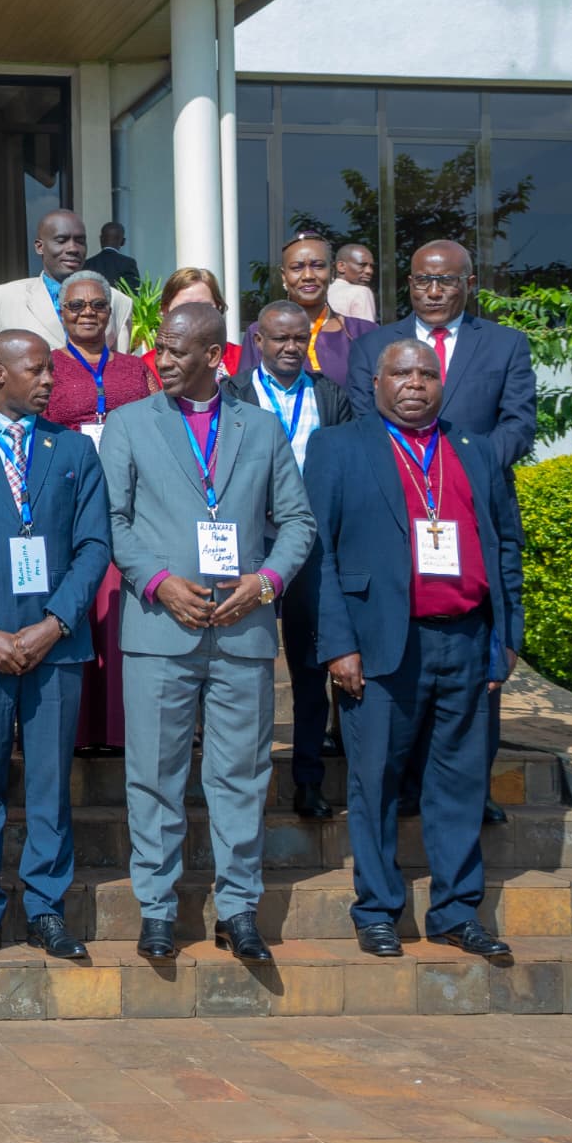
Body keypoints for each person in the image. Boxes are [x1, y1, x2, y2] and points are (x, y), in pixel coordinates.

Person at [101, 302, 314, 963]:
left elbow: (299, 522)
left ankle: (239, 907)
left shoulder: (262, 428)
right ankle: (158, 908)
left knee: (241, 773)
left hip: (243, 629)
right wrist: (158, 580)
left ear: (215, 357)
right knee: (155, 773)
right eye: (158, 348)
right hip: (161, 626)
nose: (159, 359)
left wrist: (267, 582)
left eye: (172, 350)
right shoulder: (128, 424)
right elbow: (112, 519)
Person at [311, 338, 523, 959]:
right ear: (375, 383)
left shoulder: (474, 450)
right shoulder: (338, 447)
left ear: (442, 383)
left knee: (458, 784)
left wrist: (508, 636)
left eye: (426, 373)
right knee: (374, 782)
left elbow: (506, 544)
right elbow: (318, 552)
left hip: (466, 637)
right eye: (400, 373)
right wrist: (337, 645)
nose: (414, 383)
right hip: (379, 646)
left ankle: (458, 911)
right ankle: (377, 909)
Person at [0, 330, 110, 962]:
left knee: (49, 784)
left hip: (55, 645)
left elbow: (95, 546)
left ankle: (45, 908)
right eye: (36, 371)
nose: (49, 382)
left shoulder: (74, 450)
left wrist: (55, 623)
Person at [346, 238, 535, 824]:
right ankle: (401, 786)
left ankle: (469, 791)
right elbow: (362, 424)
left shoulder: (504, 344)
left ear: (468, 284)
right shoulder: (374, 345)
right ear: (408, 284)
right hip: (396, 517)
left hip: (470, 511)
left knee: (469, 669)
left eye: (446, 281)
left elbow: (518, 425)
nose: (433, 290)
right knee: (400, 663)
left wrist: (464, 463)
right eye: (422, 280)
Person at [226, 300, 353, 818]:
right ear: (258, 341)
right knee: (240, 666)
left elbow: (346, 469)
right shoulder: (233, 395)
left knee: (306, 668)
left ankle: (307, 779)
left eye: (299, 339)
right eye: (279, 338)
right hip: (250, 545)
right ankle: (238, 785)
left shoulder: (329, 395)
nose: (290, 348)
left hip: (309, 546)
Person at [43, 270, 156, 755]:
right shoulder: (44, 364)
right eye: (76, 306)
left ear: (111, 313)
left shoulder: (135, 369)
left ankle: (118, 729)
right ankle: (78, 729)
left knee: (118, 613)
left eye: (98, 306)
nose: (88, 313)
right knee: (77, 607)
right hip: (66, 504)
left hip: (129, 503)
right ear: (61, 313)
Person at [0, 210, 131, 352]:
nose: (73, 249)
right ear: (39, 247)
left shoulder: (116, 301)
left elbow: (122, 369)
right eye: (61, 241)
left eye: (80, 241)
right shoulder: (4, 298)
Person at [241, 235, 371, 386]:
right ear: (284, 276)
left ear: (332, 272)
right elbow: (245, 398)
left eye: (318, 266)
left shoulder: (362, 332)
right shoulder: (260, 332)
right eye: (297, 267)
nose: (308, 276)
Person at [146, 267, 241, 378]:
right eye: (184, 308)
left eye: (204, 307)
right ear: (165, 310)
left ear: (218, 307)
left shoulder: (242, 358)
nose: (195, 315)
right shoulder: (147, 367)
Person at [330, 243, 381, 322]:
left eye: (371, 266)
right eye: (362, 265)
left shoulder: (323, 293)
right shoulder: (361, 291)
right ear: (341, 266)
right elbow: (366, 331)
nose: (369, 271)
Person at [85, 221, 142, 291]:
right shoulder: (128, 263)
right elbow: (133, 291)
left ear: (101, 239)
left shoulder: (88, 263)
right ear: (123, 242)